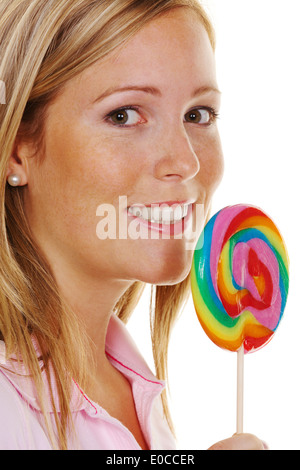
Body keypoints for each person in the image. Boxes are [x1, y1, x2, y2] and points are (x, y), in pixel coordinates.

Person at [0, 0, 266, 450]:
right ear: (16, 149)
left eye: (198, 114)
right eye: (123, 115)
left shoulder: (130, 382)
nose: (186, 161)